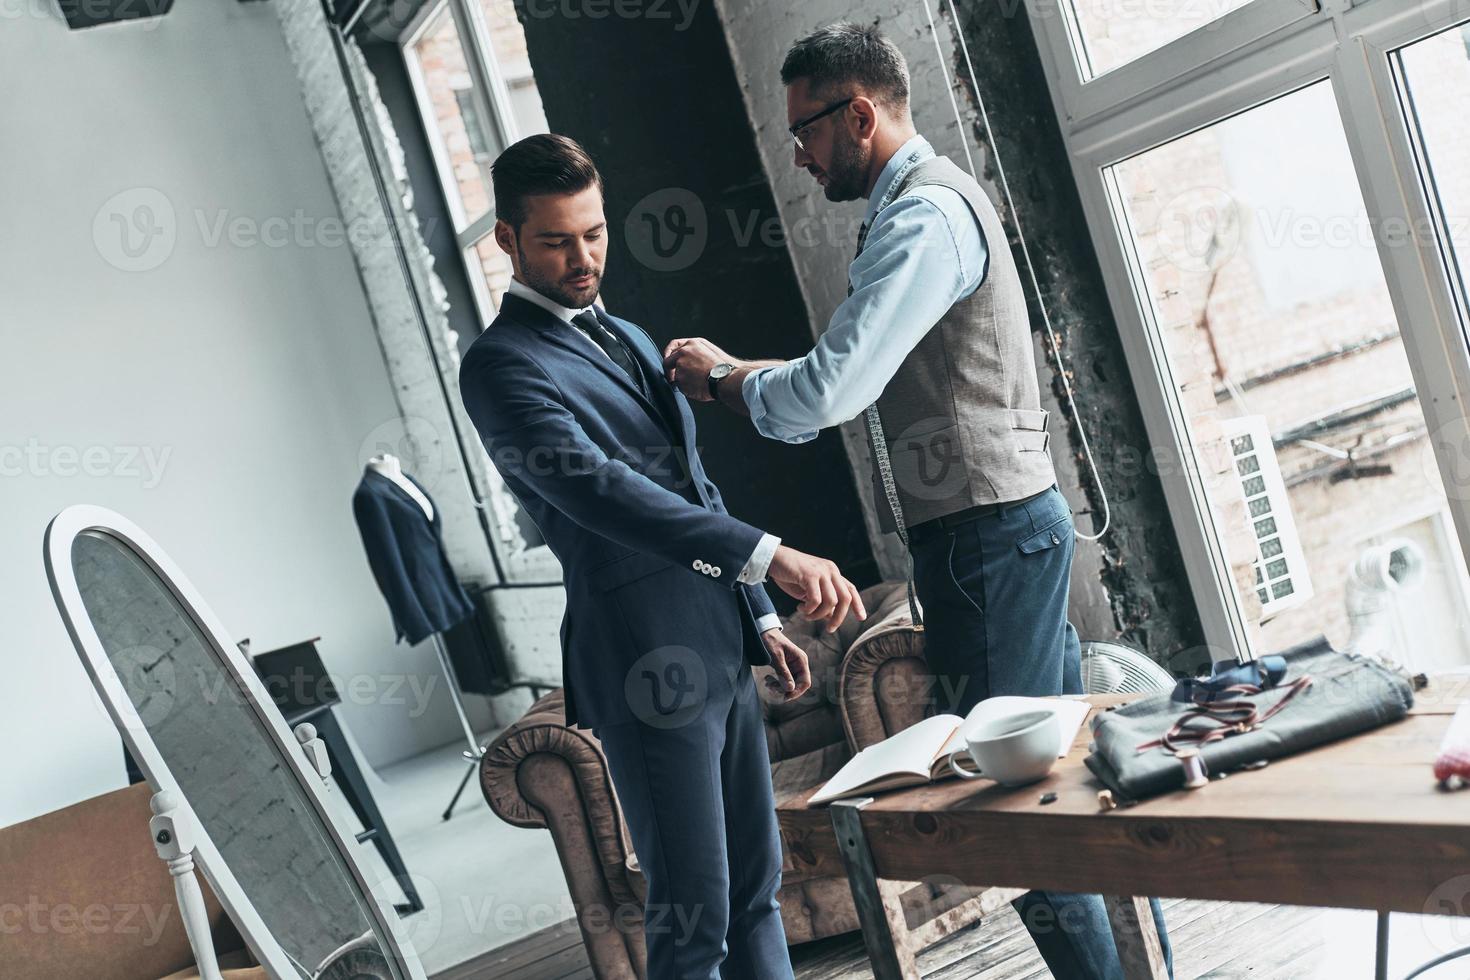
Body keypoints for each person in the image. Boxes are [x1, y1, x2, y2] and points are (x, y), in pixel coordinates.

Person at [662, 24, 1174, 979]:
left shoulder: (919, 221)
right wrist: (746, 377)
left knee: (1020, 819)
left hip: (987, 545)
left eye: (806, 133)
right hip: (1001, 536)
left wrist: (730, 379)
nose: (801, 156)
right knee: (1070, 787)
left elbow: (824, 395)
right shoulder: (928, 207)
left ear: (858, 114)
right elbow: (843, 375)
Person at [457, 133, 866, 980]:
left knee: (757, 886)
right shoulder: (500, 367)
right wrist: (771, 556)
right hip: (645, 659)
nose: (583, 257)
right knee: (694, 915)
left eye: (595, 232)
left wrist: (757, 614)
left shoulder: (635, 338)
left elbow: (691, 483)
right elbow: (602, 492)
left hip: (718, 640)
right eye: (556, 240)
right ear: (507, 241)